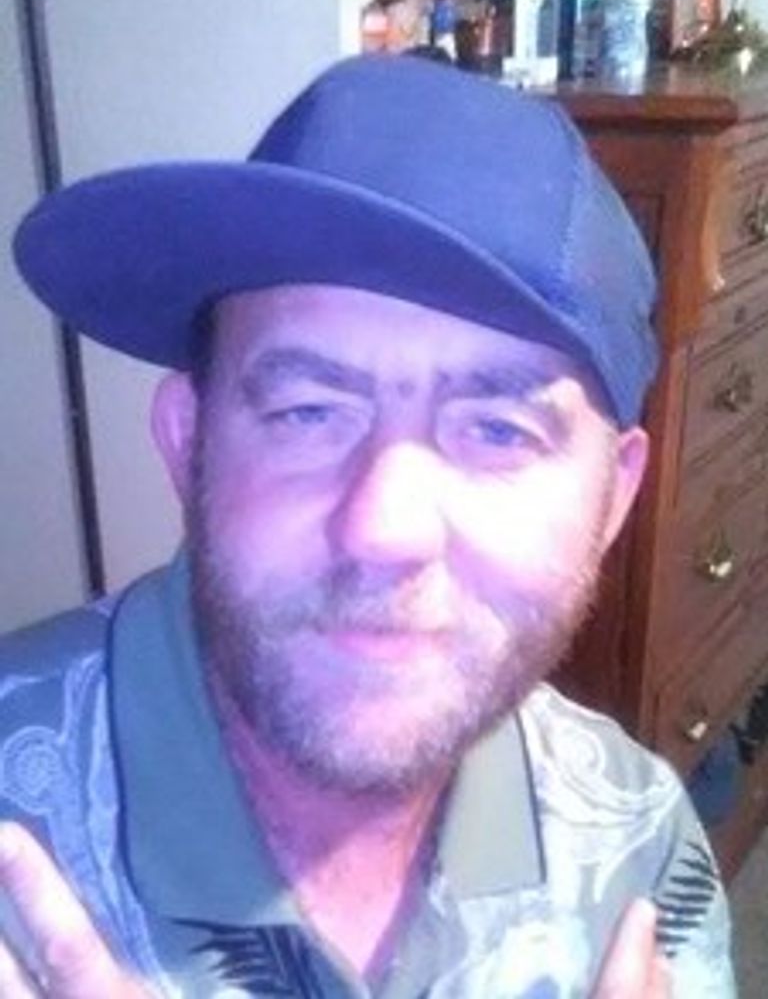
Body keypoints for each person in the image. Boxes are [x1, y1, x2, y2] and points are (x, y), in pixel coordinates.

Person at [0, 55, 734, 998]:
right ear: (188, 442)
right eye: (309, 412)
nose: (386, 527)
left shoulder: (638, 840)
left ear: (613, 499)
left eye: (498, 431)